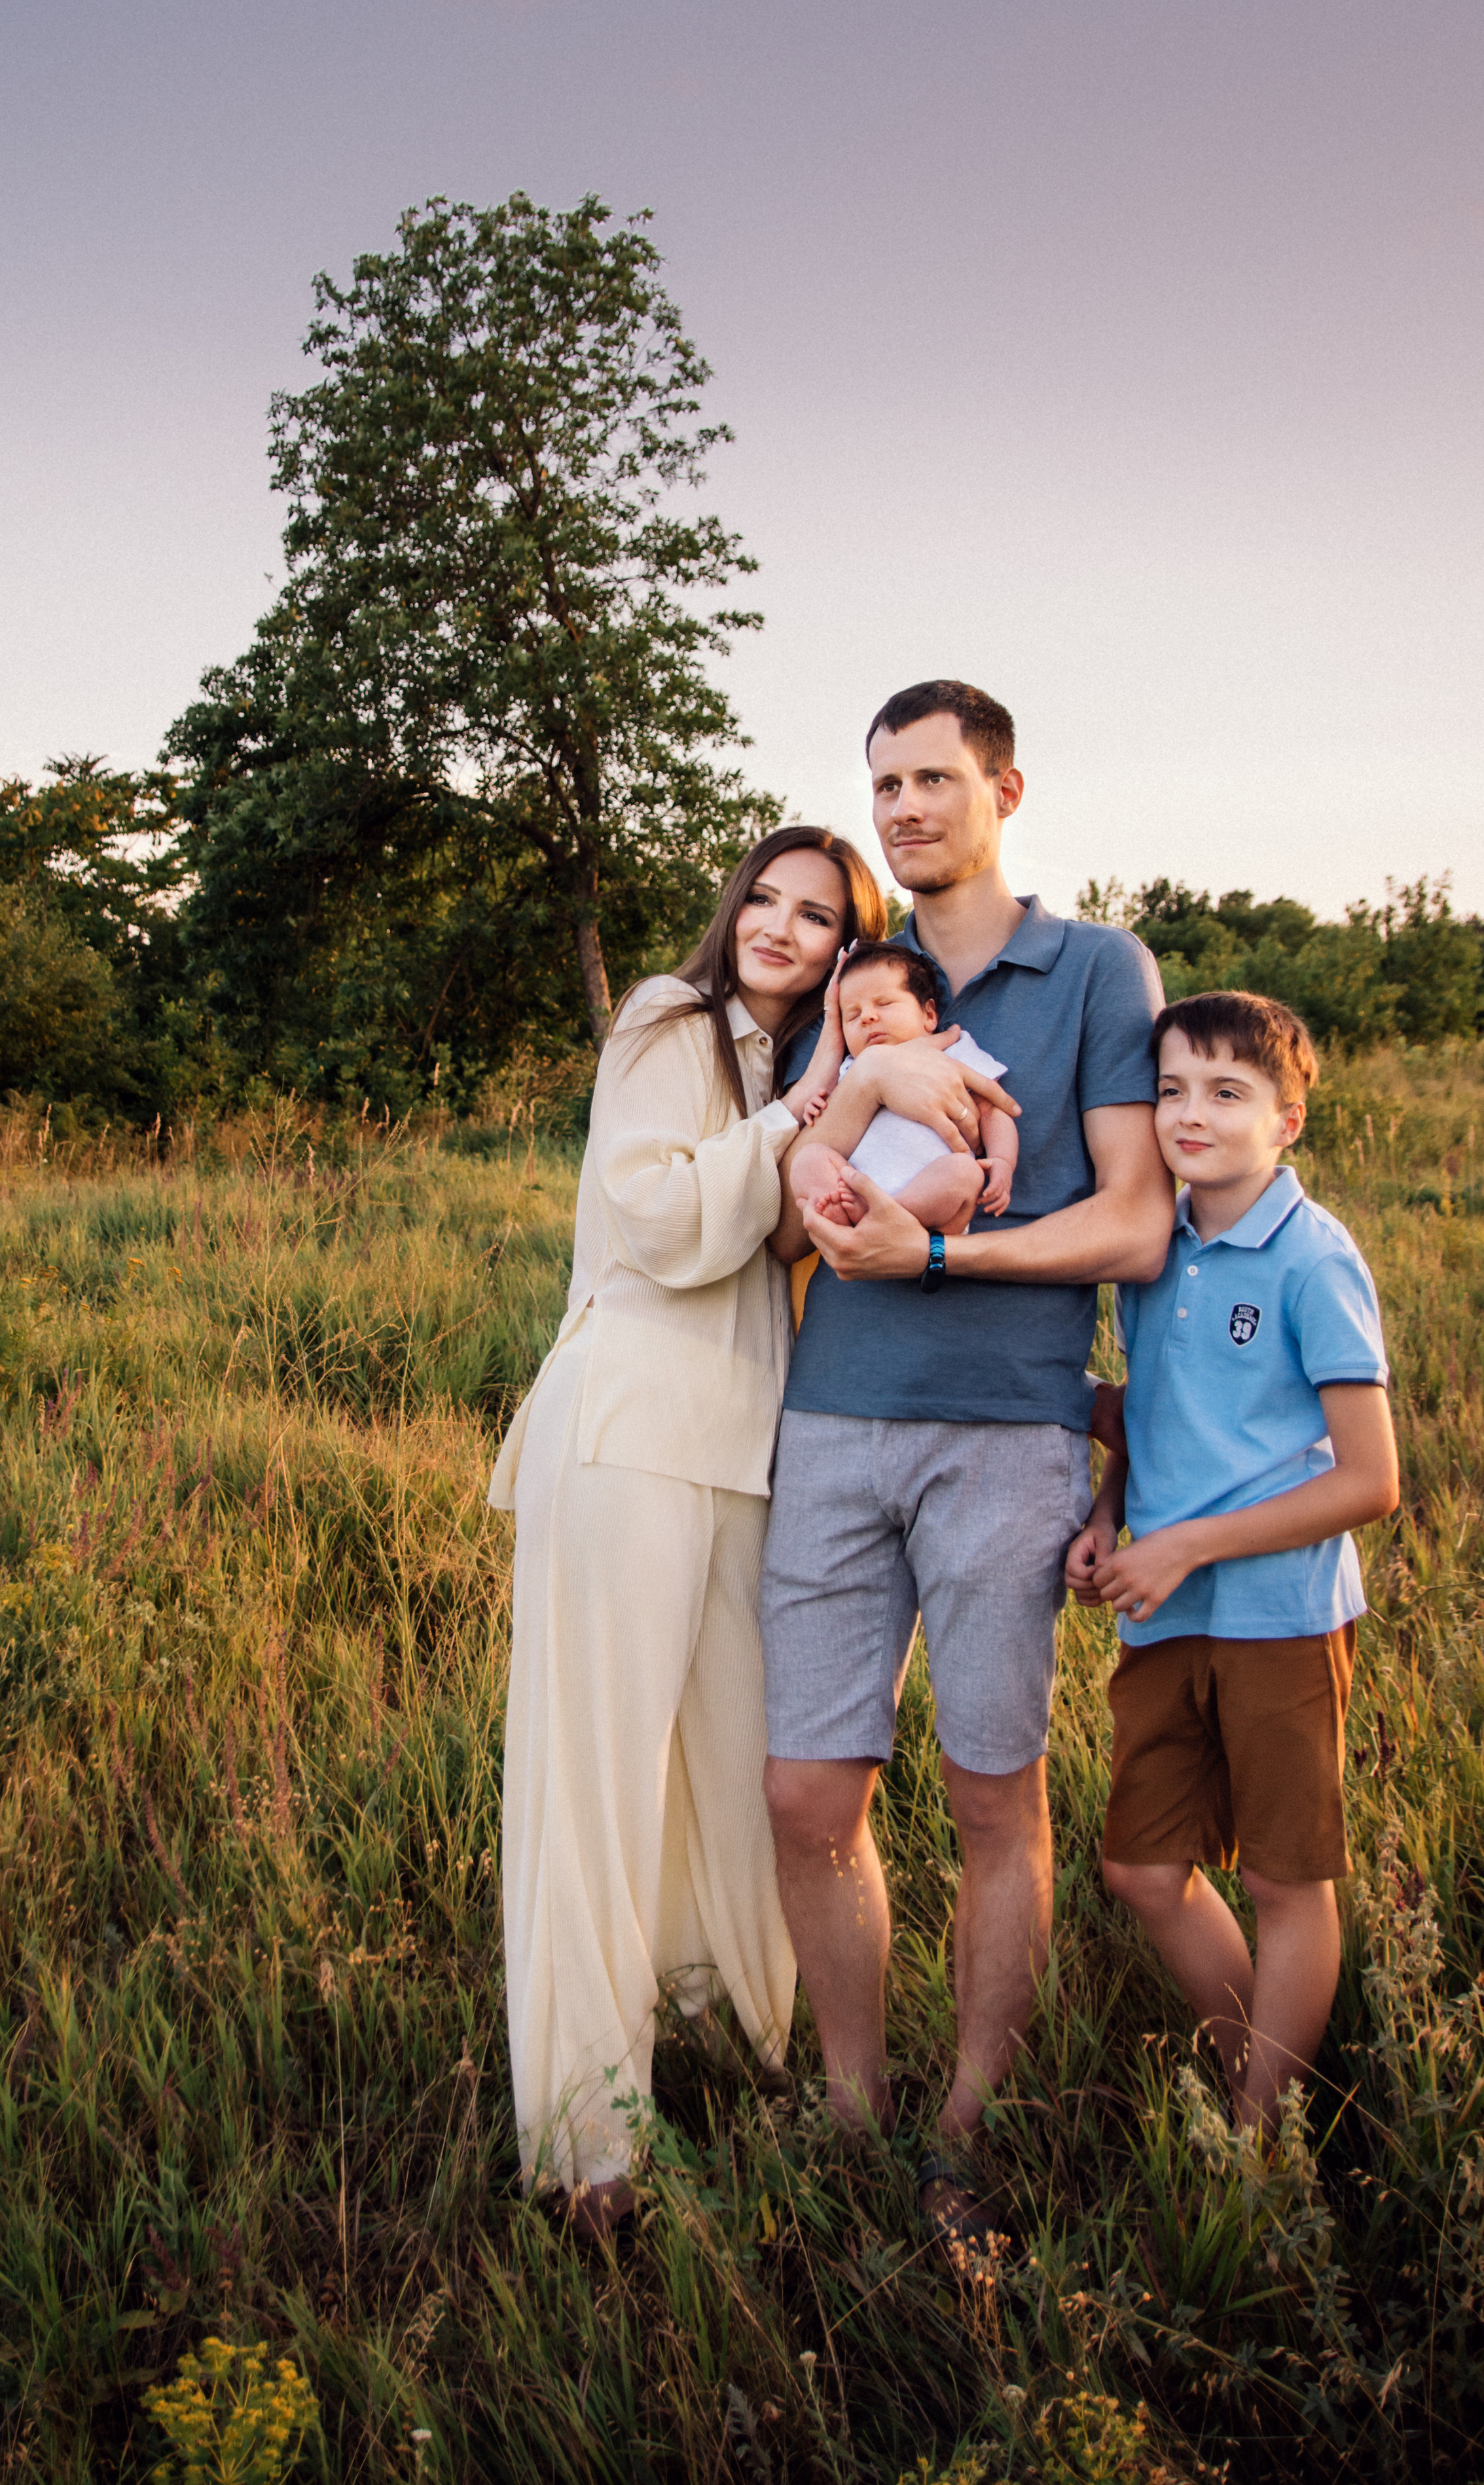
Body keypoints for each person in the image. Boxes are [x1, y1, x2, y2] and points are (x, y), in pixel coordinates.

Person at [760, 678, 1173, 2241]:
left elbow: (1128, 1217)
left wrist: (940, 1264)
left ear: (1006, 789)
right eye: (884, 785)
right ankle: (851, 2098)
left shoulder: (1092, 971)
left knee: (991, 1787)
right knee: (808, 1788)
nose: (906, 809)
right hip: (830, 1419)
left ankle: (968, 2121)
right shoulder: (851, 975)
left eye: (936, 779)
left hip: (1006, 1425)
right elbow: (802, 1173)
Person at [490, 825, 888, 2239]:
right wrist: (804, 1114)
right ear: (734, 912)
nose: (783, 928)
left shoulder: (806, 1071)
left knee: (733, 1764)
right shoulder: (667, 1019)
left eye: (819, 916)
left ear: (851, 946)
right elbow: (658, 1219)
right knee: (595, 1779)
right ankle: (586, 2137)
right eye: (766, 901)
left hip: (748, 1445)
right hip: (630, 1427)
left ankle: (729, 2044)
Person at [1066, 991, 1399, 2133]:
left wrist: (1187, 1544)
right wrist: (1111, 1514)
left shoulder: (1313, 1258)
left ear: (1288, 1120)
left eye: (1225, 1093)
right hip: (1162, 1612)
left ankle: (1260, 2140)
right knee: (1145, 1872)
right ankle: (1275, 2078)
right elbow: (1154, 1417)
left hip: (1276, 1611)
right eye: (1169, 1090)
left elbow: (1371, 1480)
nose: (1188, 1115)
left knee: (1282, 1881)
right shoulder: (1156, 1251)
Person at [790, 942, 1019, 1233]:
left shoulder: (954, 1051)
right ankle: (842, 1216)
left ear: (929, 1015)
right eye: (852, 1015)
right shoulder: (852, 1068)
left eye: (883, 1004)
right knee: (807, 1159)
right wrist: (818, 1106)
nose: (867, 1017)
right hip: (859, 1187)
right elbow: (832, 1116)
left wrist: (1002, 1160)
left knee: (966, 1173)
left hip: (933, 1190)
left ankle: (888, 1215)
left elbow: (992, 1109)